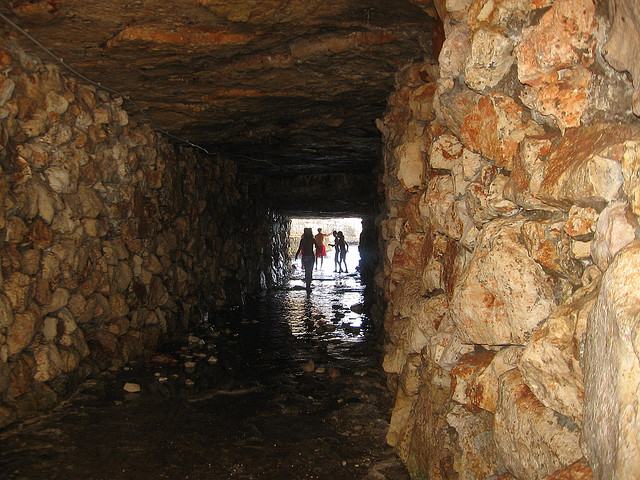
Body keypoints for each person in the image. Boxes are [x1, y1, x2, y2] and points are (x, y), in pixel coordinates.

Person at [295, 228, 319, 292]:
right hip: (311, 256)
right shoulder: (312, 240)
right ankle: (309, 285)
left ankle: (307, 286)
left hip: (305, 256)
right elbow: (318, 247)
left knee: (306, 271)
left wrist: (296, 255)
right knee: (310, 271)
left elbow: (299, 248)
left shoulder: (302, 240)